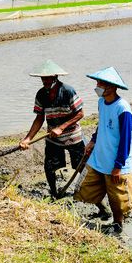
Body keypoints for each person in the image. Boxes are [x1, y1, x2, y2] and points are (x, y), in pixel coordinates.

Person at [74, 67, 132, 233]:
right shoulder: (102, 102)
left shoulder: (123, 109)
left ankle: (117, 224)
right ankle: (104, 210)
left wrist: (118, 166)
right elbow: (101, 125)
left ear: (112, 87)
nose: (98, 86)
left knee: (117, 197)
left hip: (116, 161)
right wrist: (93, 140)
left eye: (102, 83)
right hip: (100, 155)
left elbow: (126, 140)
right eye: (98, 83)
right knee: (85, 187)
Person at [19, 59, 85, 198]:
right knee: (49, 167)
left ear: (55, 77)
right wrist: (28, 139)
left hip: (73, 137)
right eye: (43, 79)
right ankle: (55, 194)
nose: (46, 82)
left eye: (48, 79)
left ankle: (92, 196)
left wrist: (61, 127)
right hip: (53, 138)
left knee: (81, 167)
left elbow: (80, 113)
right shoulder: (41, 94)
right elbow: (39, 118)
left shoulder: (68, 91)